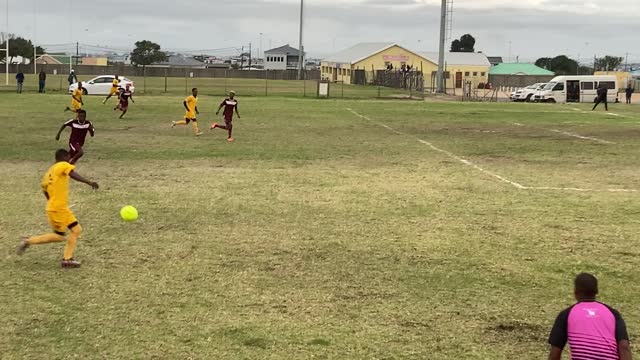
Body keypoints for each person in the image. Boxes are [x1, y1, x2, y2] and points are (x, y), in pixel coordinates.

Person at [17, 149, 99, 268]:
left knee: (76, 229)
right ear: (65, 156)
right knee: (60, 236)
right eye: (68, 157)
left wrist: (52, 202)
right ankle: (29, 241)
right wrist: (89, 182)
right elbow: (71, 172)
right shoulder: (63, 165)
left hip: (58, 207)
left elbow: (44, 189)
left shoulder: (50, 171)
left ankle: (67, 259)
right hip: (58, 208)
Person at [548, 273, 632, 360]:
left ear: (575, 292)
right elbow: (624, 347)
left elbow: (555, 353)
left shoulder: (566, 314)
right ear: (596, 291)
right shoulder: (613, 313)